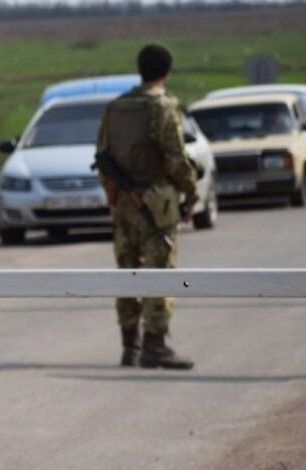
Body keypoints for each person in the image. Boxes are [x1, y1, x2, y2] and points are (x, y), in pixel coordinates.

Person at [96, 44, 198, 370]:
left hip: (124, 204)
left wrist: (113, 197)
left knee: (127, 272)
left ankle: (130, 346)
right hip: (158, 204)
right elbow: (175, 157)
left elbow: (102, 154)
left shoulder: (115, 108)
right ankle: (155, 345)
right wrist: (191, 191)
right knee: (160, 272)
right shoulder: (163, 107)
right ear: (166, 72)